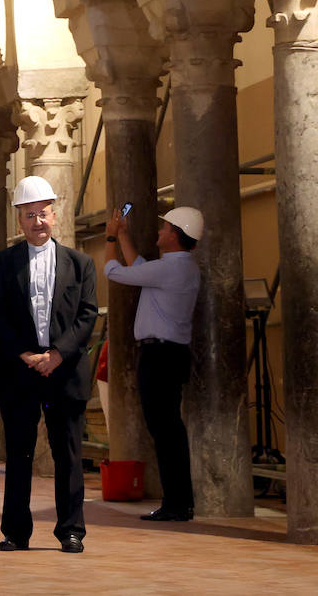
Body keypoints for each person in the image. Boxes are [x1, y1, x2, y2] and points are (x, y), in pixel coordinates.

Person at [0, 175, 98, 554]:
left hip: (64, 371)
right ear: (19, 219)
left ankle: (71, 530)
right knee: (20, 453)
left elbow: (87, 315)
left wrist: (57, 354)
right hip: (20, 373)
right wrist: (24, 353)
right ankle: (16, 532)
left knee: (68, 452)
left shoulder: (81, 263)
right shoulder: (4, 262)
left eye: (43, 214)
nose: (37, 222)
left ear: (55, 215)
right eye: (29, 215)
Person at [104, 205, 204, 523]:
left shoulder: (169, 269)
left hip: (159, 357)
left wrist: (110, 237)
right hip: (170, 355)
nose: (158, 233)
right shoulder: (178, 267)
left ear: (174, 235)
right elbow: (140, 265)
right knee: (169, 430)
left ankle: (176, 503)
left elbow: (114, 271)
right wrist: (123, 235)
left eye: (163, 229)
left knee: (165, 432)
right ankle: (178, 501)